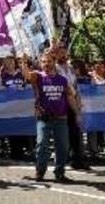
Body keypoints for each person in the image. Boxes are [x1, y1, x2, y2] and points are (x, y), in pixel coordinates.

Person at [22, 52, 79, 182]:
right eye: (43, 62)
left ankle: (60, 172)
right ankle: (40, 172)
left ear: (53, 62)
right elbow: (26, 74)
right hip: (44, 118)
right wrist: (24, 62)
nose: (46, 64)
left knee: (63, 146)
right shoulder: (38, 77)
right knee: (42, 145)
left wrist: (77, 114)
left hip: (61, 118)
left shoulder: (63, 80)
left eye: (48, 61)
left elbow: (70, 97)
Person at [53, 44, 90, 170]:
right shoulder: (54, 68)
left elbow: (75, 86)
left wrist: (78, 102)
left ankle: (77, 159)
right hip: (61, 103)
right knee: (63, 134)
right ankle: (61, 160)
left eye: (64, 52)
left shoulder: (70, 68)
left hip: (73, 102)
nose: (63, 55)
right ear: (55, 54)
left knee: (75, 132)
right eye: (60, 52)